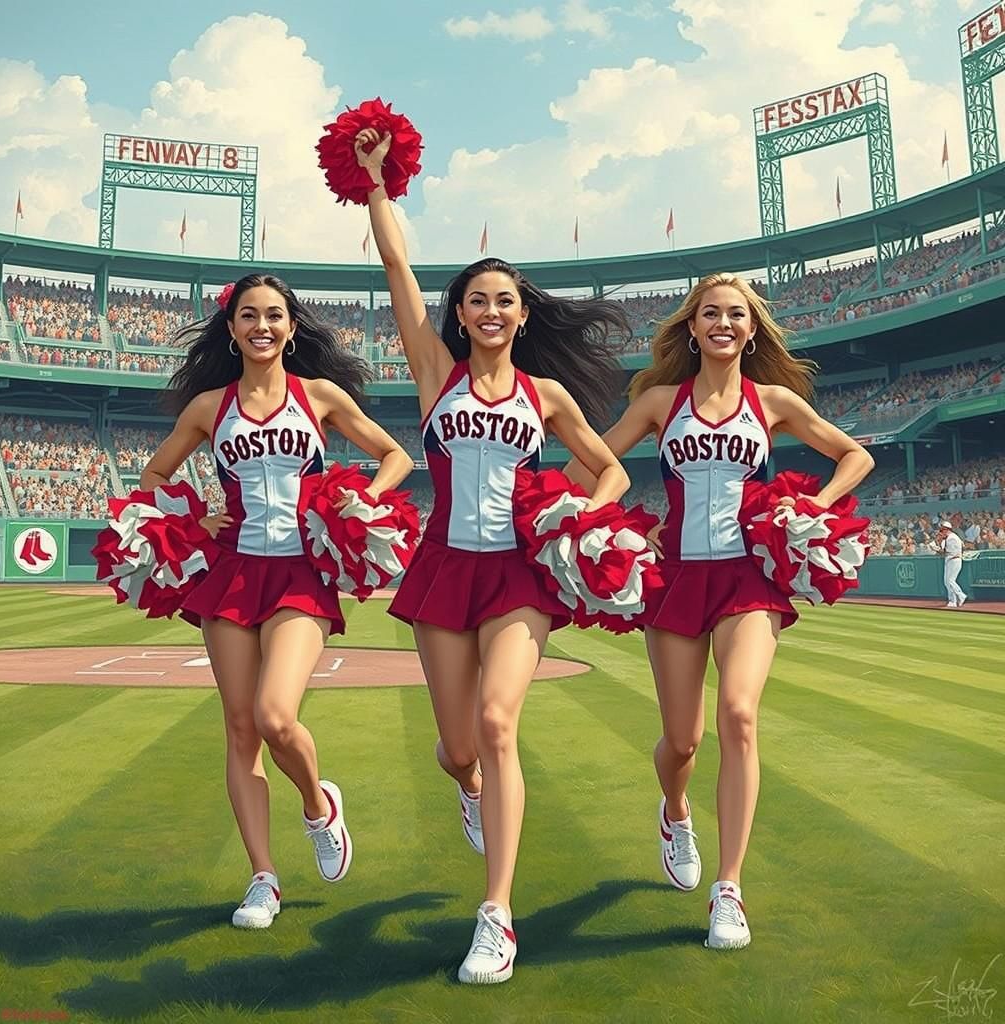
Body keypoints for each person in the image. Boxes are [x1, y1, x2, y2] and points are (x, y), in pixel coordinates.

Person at [358, 128, 631, 983]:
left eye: (505, 300)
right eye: (477, 299)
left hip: (518, 571)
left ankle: (497, 916)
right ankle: (465, 785)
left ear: (521, 313)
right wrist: (376, 184)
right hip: (443, 565)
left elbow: (613, 470)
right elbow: (399, 271)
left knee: (500, 722)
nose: (491, 311)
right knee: (457, 744)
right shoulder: (434, 370)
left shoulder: (545, 396)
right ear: (462, 313)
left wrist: (580, 517)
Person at [568, 272, 874, 950]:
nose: (724, 324)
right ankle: (675, 810)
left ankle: (729, 889)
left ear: (752, 329)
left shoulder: (774, 401)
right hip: (676, 578)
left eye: (737, 314)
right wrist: (616, 522)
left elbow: (855, 455)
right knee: (682, 741)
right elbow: (587, 467)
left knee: (738, 712)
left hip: (748, 578)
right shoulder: (657, 402)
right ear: (693, 326)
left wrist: (815, 505)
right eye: (711, 314)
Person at [140, 273, 413, 929]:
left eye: (274, 316)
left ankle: (319, 806)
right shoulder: (210, 407)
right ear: (231, 330)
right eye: (248, 316)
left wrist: (359, 502)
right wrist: (192, 515)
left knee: (273, 715)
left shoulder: (318, 395)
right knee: (239, 729)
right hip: (233, 572)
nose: (261, 326)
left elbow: (395, 455)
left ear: (291, 328)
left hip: (300, 570)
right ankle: (263, 878)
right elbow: (155, 472)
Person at [937, 521, 967, 608]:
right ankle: (952, 601)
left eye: (942, 530)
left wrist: (937, 548)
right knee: (947, 582)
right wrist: (940, 542)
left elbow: (945, 551)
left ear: (947, 530)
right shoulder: (947, 538)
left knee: (951, 580)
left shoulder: (952, 538)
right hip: (949, 561)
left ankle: (961, 595)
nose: (941, 532)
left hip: (955, 561)